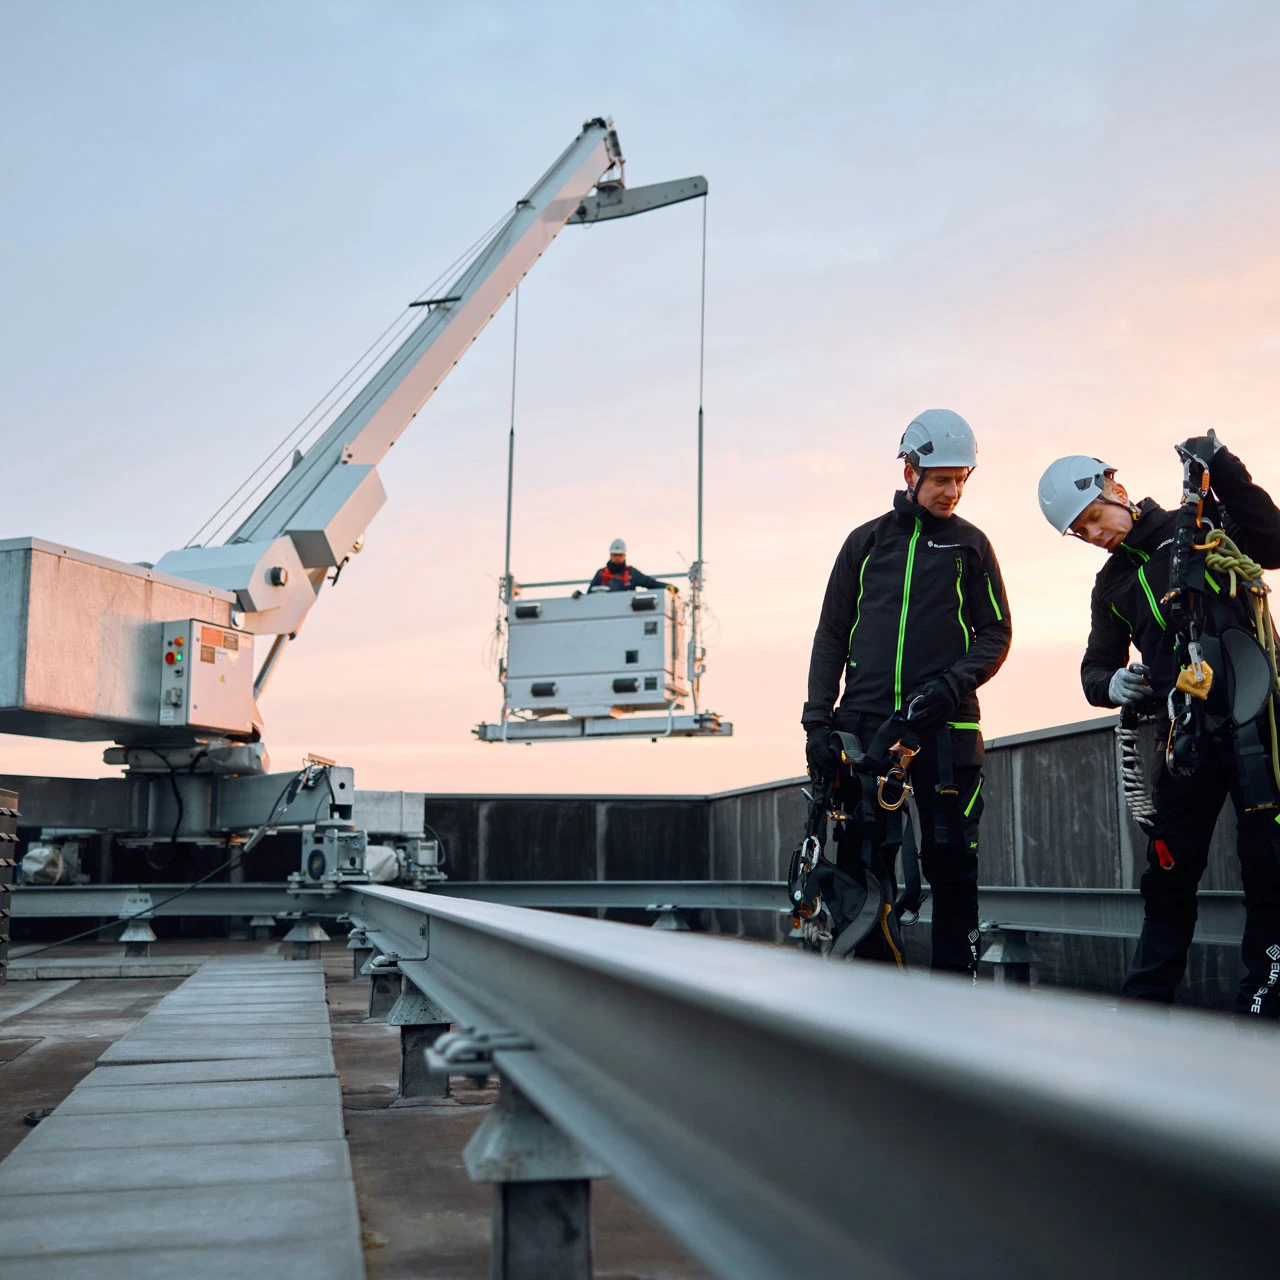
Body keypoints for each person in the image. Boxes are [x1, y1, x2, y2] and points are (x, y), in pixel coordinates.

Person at [1039, 433, 1280, 1015]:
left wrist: (1224, 469)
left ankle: (1264, 1001)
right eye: (1082, 532)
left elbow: (1272, 542)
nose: (1095, 534)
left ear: (1115, 488)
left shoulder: (1199, 523)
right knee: (1169, 876)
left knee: (1270, 867)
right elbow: (1095, 668)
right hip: (1185, 737)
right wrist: (1111, 684)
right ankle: (1144, 1007)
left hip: (1257, 726)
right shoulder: (1111, 585)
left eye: (1094, 517)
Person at [803, 409, 1012, 974]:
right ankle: (875, 998)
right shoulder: (865, 542)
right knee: (865, 868)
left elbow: (997, 633)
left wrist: (950, 686)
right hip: (865, 730)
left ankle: (955, 994)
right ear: (910, 472)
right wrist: (817, 723)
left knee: (952, 865)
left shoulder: (971, 545)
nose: (952, 492)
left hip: (947, 729)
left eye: (960, 480)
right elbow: (831, 634)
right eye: (941, 480)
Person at [588, 538, 666, 592]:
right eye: (615, 555)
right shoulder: (600, 574)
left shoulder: (632, 573)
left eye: (620, 555)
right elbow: (588, 595)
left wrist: (667, 587)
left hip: (626, 610)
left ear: (624, 555)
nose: (617, 558)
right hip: (604, 609)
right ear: (610, 555)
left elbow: (650, 583)